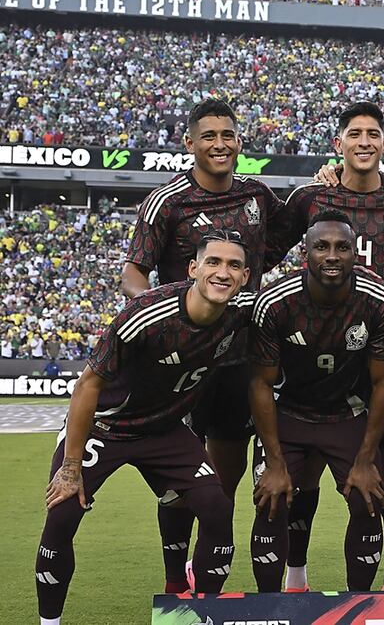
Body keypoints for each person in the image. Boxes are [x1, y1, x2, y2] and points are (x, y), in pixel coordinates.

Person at [266, 101, 384, 591]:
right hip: (314, 349)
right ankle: (295, 579)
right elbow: (260, 252)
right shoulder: (309, 198)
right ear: (338, 143)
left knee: (378, 479)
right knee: (302, 478)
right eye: (355, 134)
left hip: (380, 352)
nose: (365, 141)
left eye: (374, 134)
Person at [36, 231, 254, 624]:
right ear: (193, 269)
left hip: (165, 429)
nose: (223, 273)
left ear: (245, 277)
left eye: (234, 265)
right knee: (64, 510)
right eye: (214, 262)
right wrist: (70, 467)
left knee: (216, 506)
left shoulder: (243, 315)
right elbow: (87, 384)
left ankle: (198, 612)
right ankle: (48, 621)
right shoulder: (146, 313)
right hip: (107, 425)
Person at [121, 98, 284, 593]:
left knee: (222, 482)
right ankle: (176, 583)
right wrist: (166, 311)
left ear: (239, 141)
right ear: (189, 143)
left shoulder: (259, 196)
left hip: (239, 358)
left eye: (228, 135)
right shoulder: (167, 201)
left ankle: (208, 579)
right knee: (177, 483)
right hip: (182, 362)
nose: (220, 143)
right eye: (208, 135)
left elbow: (304, 225)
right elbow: (133, 272)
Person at [247, 210, 384, 592]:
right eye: (321, 247)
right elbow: (260, 385)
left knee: (369, 500)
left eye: (342, 247)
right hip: (288, 414)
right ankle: (272, 607)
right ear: (306, 253)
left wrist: (366, 460)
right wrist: (276, 462)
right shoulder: (275, 303)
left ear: (355, 254)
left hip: (346, 413)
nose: (332, 255)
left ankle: (359, 605)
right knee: (271, 498)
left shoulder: (379, 301)